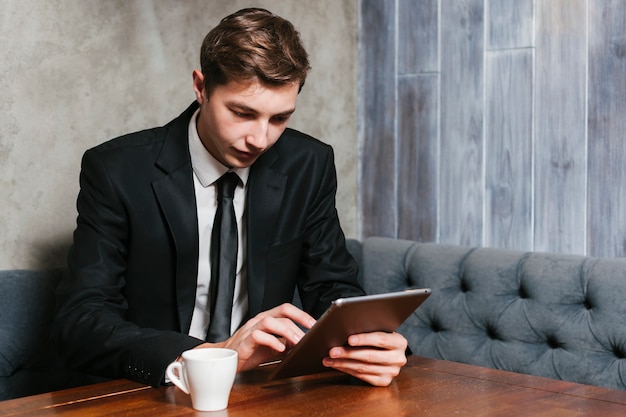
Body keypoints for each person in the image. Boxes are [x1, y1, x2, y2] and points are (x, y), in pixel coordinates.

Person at [54, 7, 407, 388]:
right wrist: (214, 356)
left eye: (279, 119)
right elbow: (83, 320)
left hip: (262, 391)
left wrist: (370, 345)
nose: (260, 139)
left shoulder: (309, 164)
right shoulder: (116, 170)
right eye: (242, 113)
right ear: (201, 87)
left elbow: (331, 287)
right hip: (155, 388)